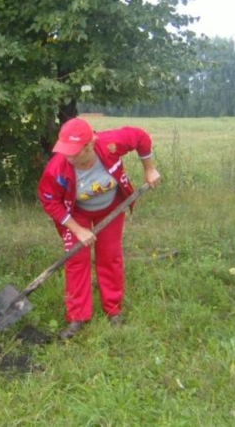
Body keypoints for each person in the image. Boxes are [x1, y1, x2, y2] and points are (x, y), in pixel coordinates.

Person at [37, 118, 161, 340]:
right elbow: (49, 201)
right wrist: (77, 229)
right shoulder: (56, 168)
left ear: (90, 145)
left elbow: (141, 137)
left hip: (111, 207)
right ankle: (77, 316)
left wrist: (149, 169)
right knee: (76, 260)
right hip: (76, 213)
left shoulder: (110, 144)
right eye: (65, 150)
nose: (68, 157)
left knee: (110, 256)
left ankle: (113, 310)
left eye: (74, 152)